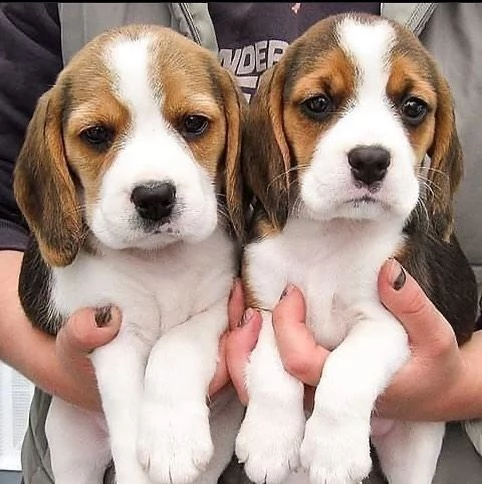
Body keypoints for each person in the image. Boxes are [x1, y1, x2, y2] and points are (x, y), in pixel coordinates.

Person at [0, 3, 481, 483]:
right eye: (318, 105)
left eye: (193, 125)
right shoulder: (268, 241)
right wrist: (66, 371)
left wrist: (455, 386)